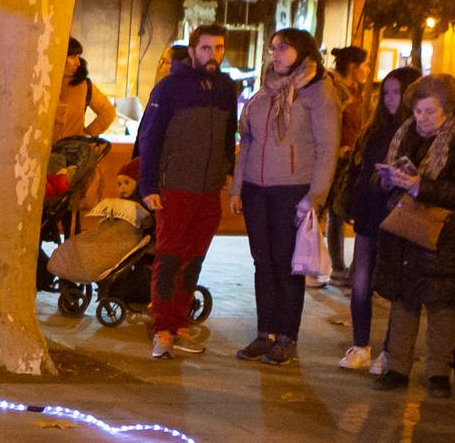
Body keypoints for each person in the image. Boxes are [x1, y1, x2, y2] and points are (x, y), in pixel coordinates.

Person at [369, 73, 455, 396]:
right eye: (418, 111)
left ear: (447, 111)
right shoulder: (405, 133)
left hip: (445, 236)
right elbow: (379, 180)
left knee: (442, 305)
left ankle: (437, 372)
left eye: (429, 112)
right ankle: (397, 367)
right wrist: (387, 180)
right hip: (405, 230)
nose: (421, 118)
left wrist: (421, 186)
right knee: (404, 300)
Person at [231, 27, 338, 366]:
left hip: (292, 190)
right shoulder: (265, 91)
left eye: (284, 48)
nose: (276, 54)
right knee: (262, 263)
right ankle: (266, 334)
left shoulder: (318, 92)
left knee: (287, 265)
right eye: (273, 47)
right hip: (256, 189)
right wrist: (237, 187)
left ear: (303, 52)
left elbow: (327, 148)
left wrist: (315, 196)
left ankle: (287, 338)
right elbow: (247, 142)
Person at [134, 23, 240, 359]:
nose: (213, 55)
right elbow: (149, 139)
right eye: (206, 48)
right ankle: (162, 329)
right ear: (192, 50)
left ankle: (179, 322)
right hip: (175, 187)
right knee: (168, 258)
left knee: (194, 259)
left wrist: (227, 170)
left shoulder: (225, 88)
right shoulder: (169, 88)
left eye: (219, 48)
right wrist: (148, 185)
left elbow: (229, 134)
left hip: (208, 190)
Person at [340, 66, 420, 369]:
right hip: (370, 211)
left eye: (397, 92)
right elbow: (363, 170)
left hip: (399, 218)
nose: (390, 99)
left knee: (394, 283)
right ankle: (360, 345)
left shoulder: (416, 133)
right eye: (386, 92)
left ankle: (391, 350)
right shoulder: (375, 129)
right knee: (360, 280)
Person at [323, 45, 369, 278]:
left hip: (352, 159)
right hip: (336, 158)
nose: (367, 70)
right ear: (353, 67)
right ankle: (336, 266)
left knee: (341, 211)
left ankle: (342, 266)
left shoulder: (356, 90)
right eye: (364, 65)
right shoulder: (332, 87)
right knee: (336, 211)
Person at [53, 37, 118, 143]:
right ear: (60, 57)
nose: (78, 63)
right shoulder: (43, 84)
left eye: (78, 57)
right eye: (72, 57)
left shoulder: (84, 85)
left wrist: (88, 134)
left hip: (71, 153)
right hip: (42, 153)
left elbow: (108, 111)